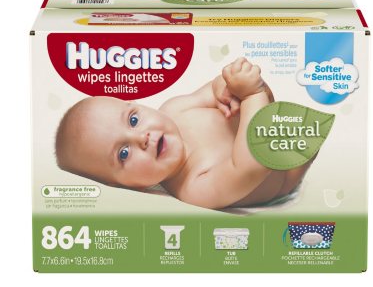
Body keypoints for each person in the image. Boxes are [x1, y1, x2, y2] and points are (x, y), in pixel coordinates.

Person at [55, 58, 313, 209]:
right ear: (127, 186)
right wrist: (253, 94)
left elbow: (212, 91)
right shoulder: (194, 188)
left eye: (133, 119)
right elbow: (252, 166)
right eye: (123, 153)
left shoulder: (174, 109)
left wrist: (227, 87)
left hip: (263, 114)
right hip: (284, 167)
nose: (141, 138)